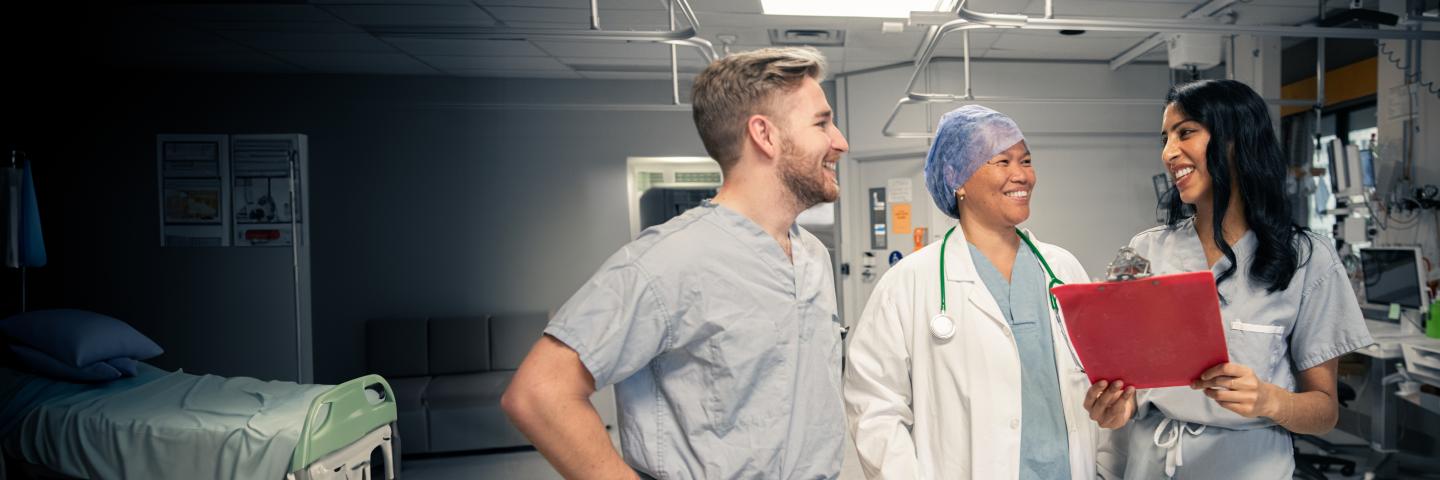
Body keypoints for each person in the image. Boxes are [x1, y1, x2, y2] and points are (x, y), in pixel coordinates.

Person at [500, 46, 849, 479]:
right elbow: (539, 393)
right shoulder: (667, 261)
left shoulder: (812, 256)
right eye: (822, 123)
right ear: (765, 134)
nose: (840, 141)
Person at [1084, 79, 1374, 478]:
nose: (1169, 153)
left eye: (1186, 132)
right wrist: (1118, 406)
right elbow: (1122, 378)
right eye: (1165, 137)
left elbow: (1324, 411)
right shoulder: (1142, 253)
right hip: (1150, 465)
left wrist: (1269, 401)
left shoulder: (1308, 259)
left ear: (1237, 139)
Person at [844, 104, 1099, 479]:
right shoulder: (909, 282)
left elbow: (1104, 380)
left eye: (1026, 161)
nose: (1021, 175)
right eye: (1002, 161)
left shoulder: (1062, 270)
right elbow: (875, 407)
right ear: (956, 177)